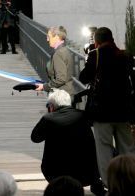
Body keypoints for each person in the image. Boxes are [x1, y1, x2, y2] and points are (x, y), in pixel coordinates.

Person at [79, 27, 134, 186]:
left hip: (101, 112)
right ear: (112, 39)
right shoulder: (125, 55)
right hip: (124, 111)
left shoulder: (95, 55)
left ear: (97, 41)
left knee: (104, 149)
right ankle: (130, 181)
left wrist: (87, 58)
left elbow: (84, 78)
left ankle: (111, 184)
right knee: (128, 149)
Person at [31, 89, 106, 195]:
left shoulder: (48, 119)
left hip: (56, 173)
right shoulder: (83, 116)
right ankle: (96, 183)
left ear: (51, 105)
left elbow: (35, 138)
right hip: (86, 173)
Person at [35, 26, 75, 97]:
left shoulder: (58, 53)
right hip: (67, 92)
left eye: (48, 36)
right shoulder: (65, 50)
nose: (47, 40)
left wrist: (44, 87)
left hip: (61, 96)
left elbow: (61, 79)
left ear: (56, 37)